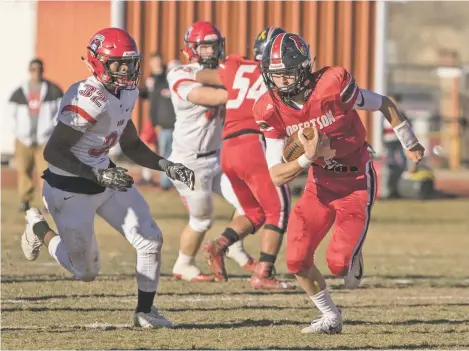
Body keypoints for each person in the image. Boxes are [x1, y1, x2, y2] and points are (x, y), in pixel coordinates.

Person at [20, 28, 195, 329]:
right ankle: (39, 229)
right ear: (99, 62)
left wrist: (167, 165)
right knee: (85, 272)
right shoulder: (88, 96)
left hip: (106, 177)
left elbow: (131, 145)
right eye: (118, 64)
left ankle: (145, 311)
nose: (126, 70)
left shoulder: (126, 91)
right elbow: (53, 151)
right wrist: (96, 173)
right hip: (69, 186)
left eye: (130, 63)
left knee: (150, 238)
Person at [253, 33, 425, 333]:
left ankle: (353, 254)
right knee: (295, 260)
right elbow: (276, 174)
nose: (281, 81)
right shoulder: (269, 108)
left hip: (355, 183)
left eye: (287, 73)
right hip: (318, 185)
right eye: (275, 74)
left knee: (338, 265)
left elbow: (383, 103)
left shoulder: (333, 86)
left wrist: (409, 142)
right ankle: (330, 316)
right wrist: (307, 158)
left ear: (305, 68)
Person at [194, 27, 294, 290]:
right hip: (255, 143)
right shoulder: (279, 73)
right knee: (279, 210)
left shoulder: (235, 66)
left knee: (255, 212)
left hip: (228, 148)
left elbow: (202, 74)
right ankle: (263, 273)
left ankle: (219, 245)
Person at [167, 21, 256, 282]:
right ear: (191, 50)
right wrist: (246, 89)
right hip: (189, 163)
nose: (210, 51)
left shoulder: (225, 69)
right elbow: (208, 96)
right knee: (202, 218)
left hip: (217, 155)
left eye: (214, 45)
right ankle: (183, 265)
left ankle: (233, 243)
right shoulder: (180, 72)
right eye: (204, 46)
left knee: (250, 204)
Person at [7, 58, 63, 211]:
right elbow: (11, 114)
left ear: (42, 71)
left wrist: (50, 130)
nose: (36, 72)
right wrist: (18, 132)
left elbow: (60, 113)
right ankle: (25, 201)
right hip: (23, 140)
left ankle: (48, 202)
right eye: (33, 69)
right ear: (29, 71)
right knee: (23, 170)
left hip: (44, 140)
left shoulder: (53, 91)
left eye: (38, 69)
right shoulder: (20, 92)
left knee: (46, 172)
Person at [139, 54, 181, 189]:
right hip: (159, 121)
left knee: (170, 152)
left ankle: (167, 181)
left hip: (173, 124)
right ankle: (151, 177)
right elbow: (151, 98)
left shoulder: (170, 83)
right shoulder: (157, 81)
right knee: (152, 146)